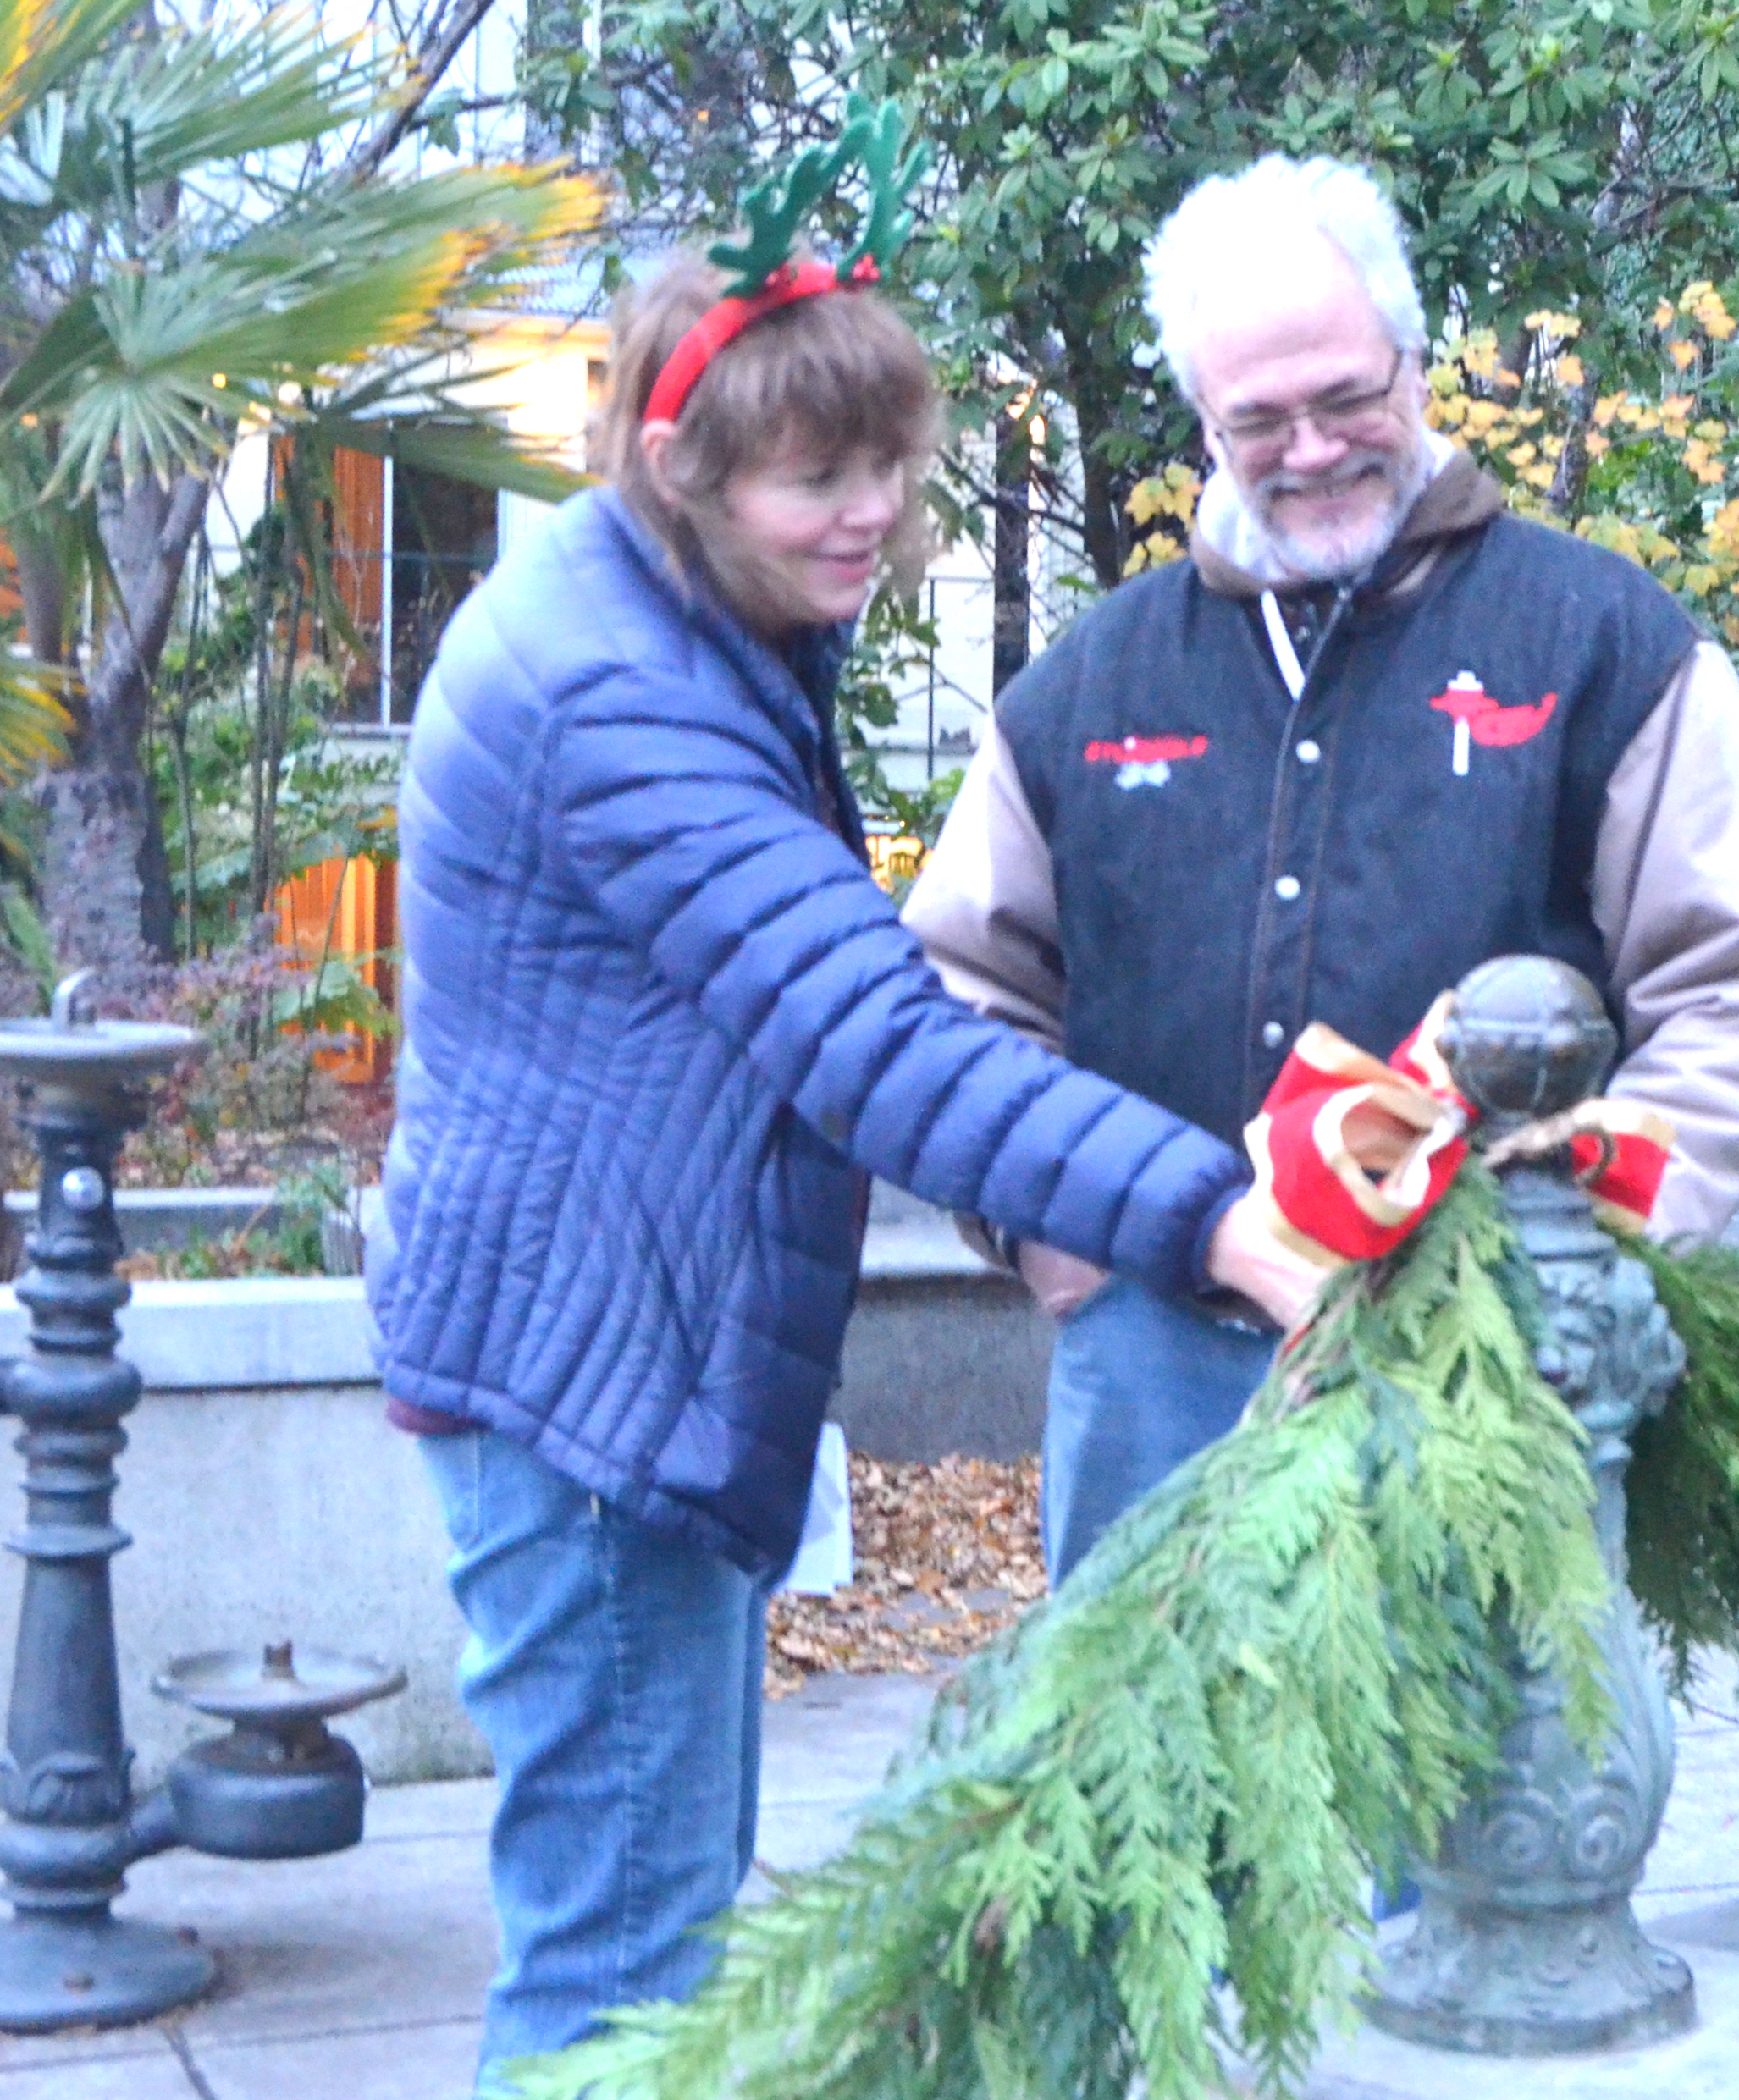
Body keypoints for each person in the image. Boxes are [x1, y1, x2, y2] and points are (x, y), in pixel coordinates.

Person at [366, 132, 1317, 2092]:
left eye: (892, 462)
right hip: (591, 1391)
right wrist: (1224, 1218)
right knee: (620, 1968)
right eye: (821, 479)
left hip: (610, 1340)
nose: (873, 513)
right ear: (673, 461)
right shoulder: (612, 691)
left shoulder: (677, 603)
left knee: (654, 1926)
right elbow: (878, 1042)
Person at [905, 154, 1739, 1581]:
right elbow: (955, 1006)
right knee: (1162, 1800)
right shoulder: (1079, 693)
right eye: (1258, 418)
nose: (1313, 446)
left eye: (1347, 397)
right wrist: (1061, 1248)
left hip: (1480, 1365)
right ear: (1201, 420)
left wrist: (1566, 1264)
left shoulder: (1603, 644)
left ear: (1414, 360)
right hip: (1152, 1370)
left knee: (1481, 1795)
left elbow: (1738, 983)